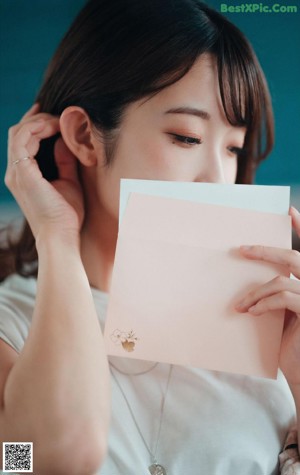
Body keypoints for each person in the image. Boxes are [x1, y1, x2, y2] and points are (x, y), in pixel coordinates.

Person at [0, 0, 300, 474]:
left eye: (234, 149)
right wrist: (57, 237)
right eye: (186, 137)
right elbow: (37, 461)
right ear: (83, 136)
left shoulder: (275, 335)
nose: (219, 181)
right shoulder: (10, 326)